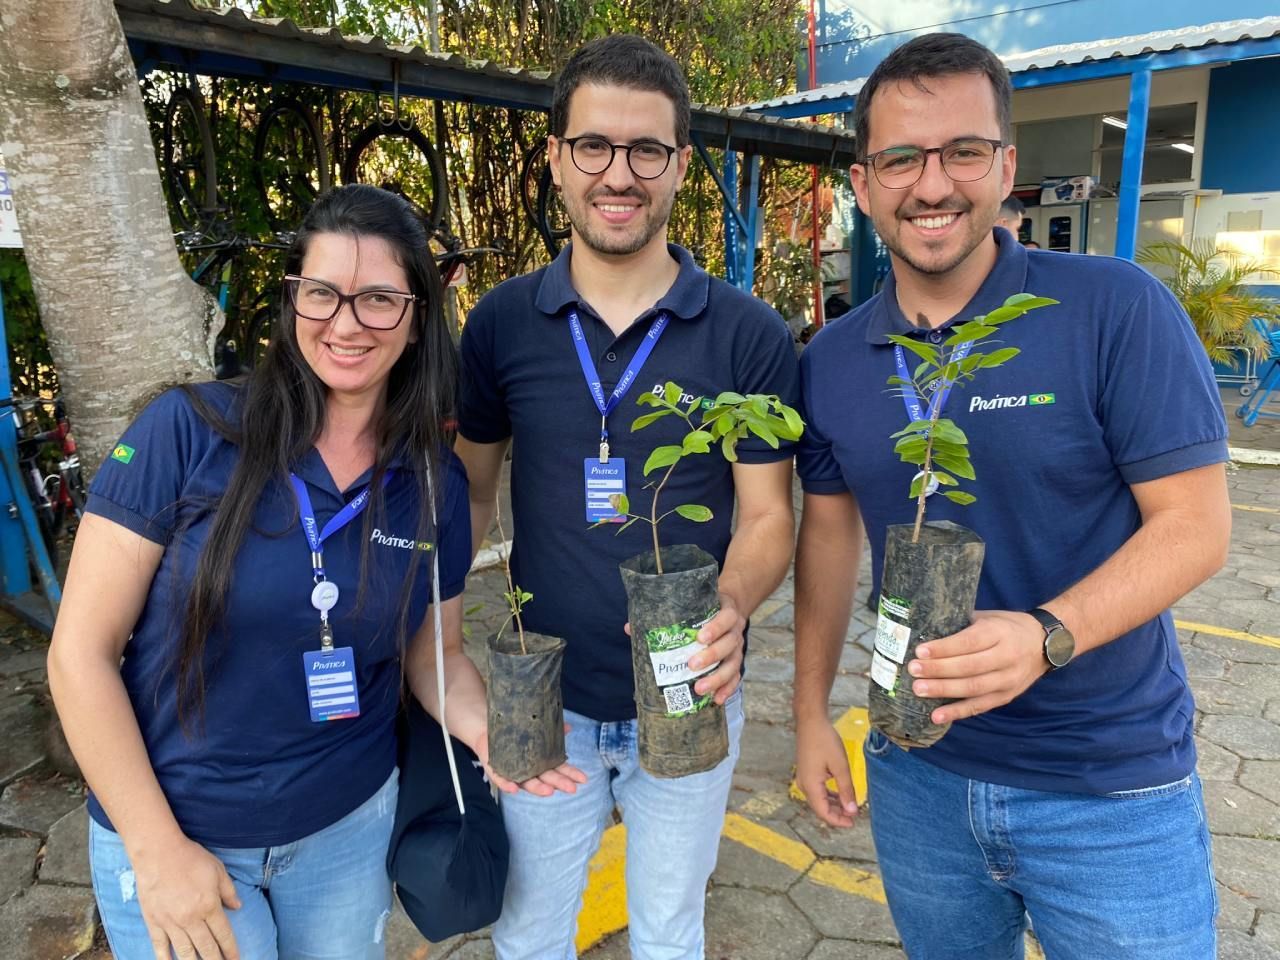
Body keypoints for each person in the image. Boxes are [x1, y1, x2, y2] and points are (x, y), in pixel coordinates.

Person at [792, 32, 1229, 959]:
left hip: (1108, 787)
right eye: (900, 158)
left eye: (964, 151)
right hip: (917, 779)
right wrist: (807, 715)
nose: (933, 185)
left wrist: (1047, 633)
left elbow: (1195, 527)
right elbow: (826, 545)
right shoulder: (829, 361)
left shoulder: (1112, 308)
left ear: (1007, 167)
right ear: (863, 184)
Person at [48, 185, 504, 960]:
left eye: (379, 299)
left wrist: (496, 736)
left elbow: (438, 655)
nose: (346, 323)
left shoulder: (433, 483)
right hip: (179, 833)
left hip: (347, 832)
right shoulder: (186, 432)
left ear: (419, 314)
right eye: (321, 293)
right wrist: (156, 852)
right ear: (292, 300)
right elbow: (77, 655)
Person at [455, 34, 800, 960]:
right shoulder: (499, 325)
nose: (621, 173)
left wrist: (732, 604)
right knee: (529, 933)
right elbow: (471, 498)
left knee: (667, 931)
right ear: (558, 159)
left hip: (690, 693)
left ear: (681, 164)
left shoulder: (748, 335)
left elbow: (768, 516)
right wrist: (438, 648)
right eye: (595, 147)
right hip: (545, 697)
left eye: (647, 149)